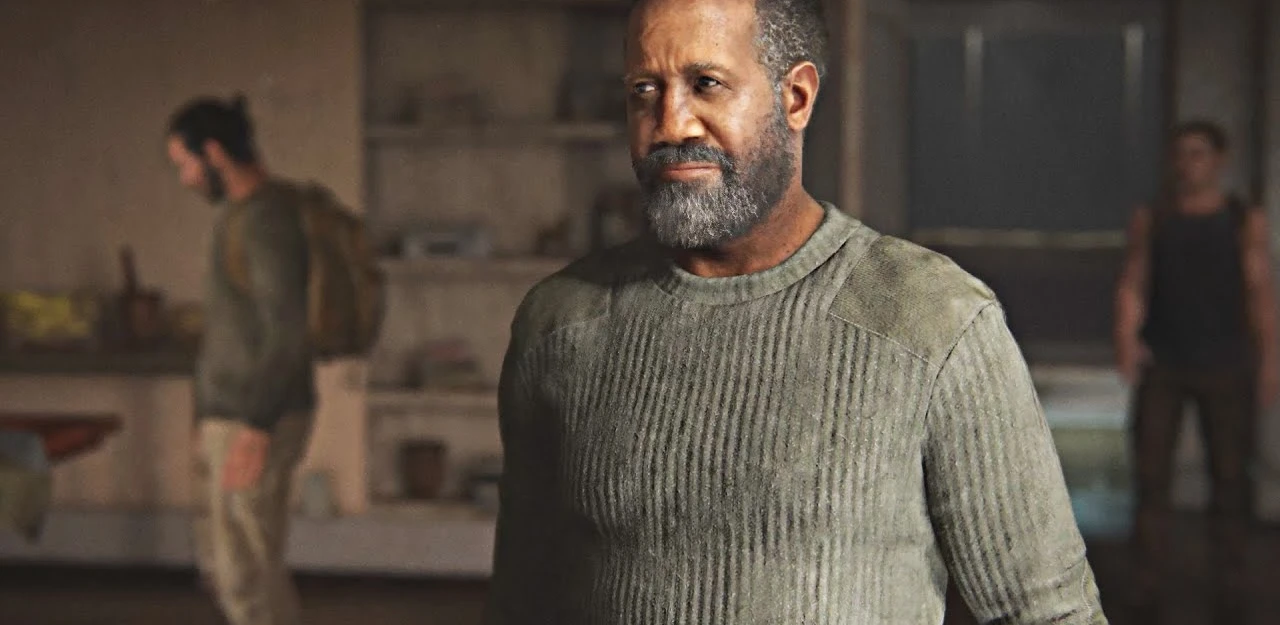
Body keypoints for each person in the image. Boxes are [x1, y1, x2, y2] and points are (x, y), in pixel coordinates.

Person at [485, 0, 1106, 622]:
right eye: (644, 90)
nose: (671, 124)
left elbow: (1048, 613)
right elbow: (523, 601)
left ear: (797, 98)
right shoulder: (560, 325)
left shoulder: (933, 320)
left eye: (707, 84)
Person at [1114, 119, 1277, 623]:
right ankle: (1146, 583)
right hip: (1165, 362)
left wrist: (1269, 360)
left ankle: (1232, 583)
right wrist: (1127, 341)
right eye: (1181, 154)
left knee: (1230, 480)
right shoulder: (1154, 217)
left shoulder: (1241, 219)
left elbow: (1258, 290)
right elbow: (1135, 280)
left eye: (1198, 154)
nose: (1188, 164)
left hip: (1226, 364)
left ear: (1219, 160)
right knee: (1151, 479)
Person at [165, 95, 316, 625]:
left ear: (213, 153)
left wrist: (256, 425)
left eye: (185, 163)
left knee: (246, 573)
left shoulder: (266, 221)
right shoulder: (240, 217)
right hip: (231, 415)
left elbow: (288, 330)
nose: (184, 178)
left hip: (255, 416)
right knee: (231, 567)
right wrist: (208, 418)